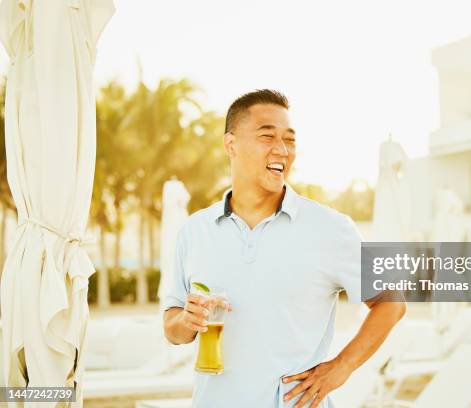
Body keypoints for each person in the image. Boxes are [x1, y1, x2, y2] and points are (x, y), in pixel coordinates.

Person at [162, 89, 406, 407]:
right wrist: (186, 321)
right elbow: (172, 329)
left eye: (289, 139)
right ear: (231, 144)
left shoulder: (329, 229)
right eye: (267, 136)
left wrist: (341, 368)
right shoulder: (194, 231)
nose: (282, 150)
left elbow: (392, 302)